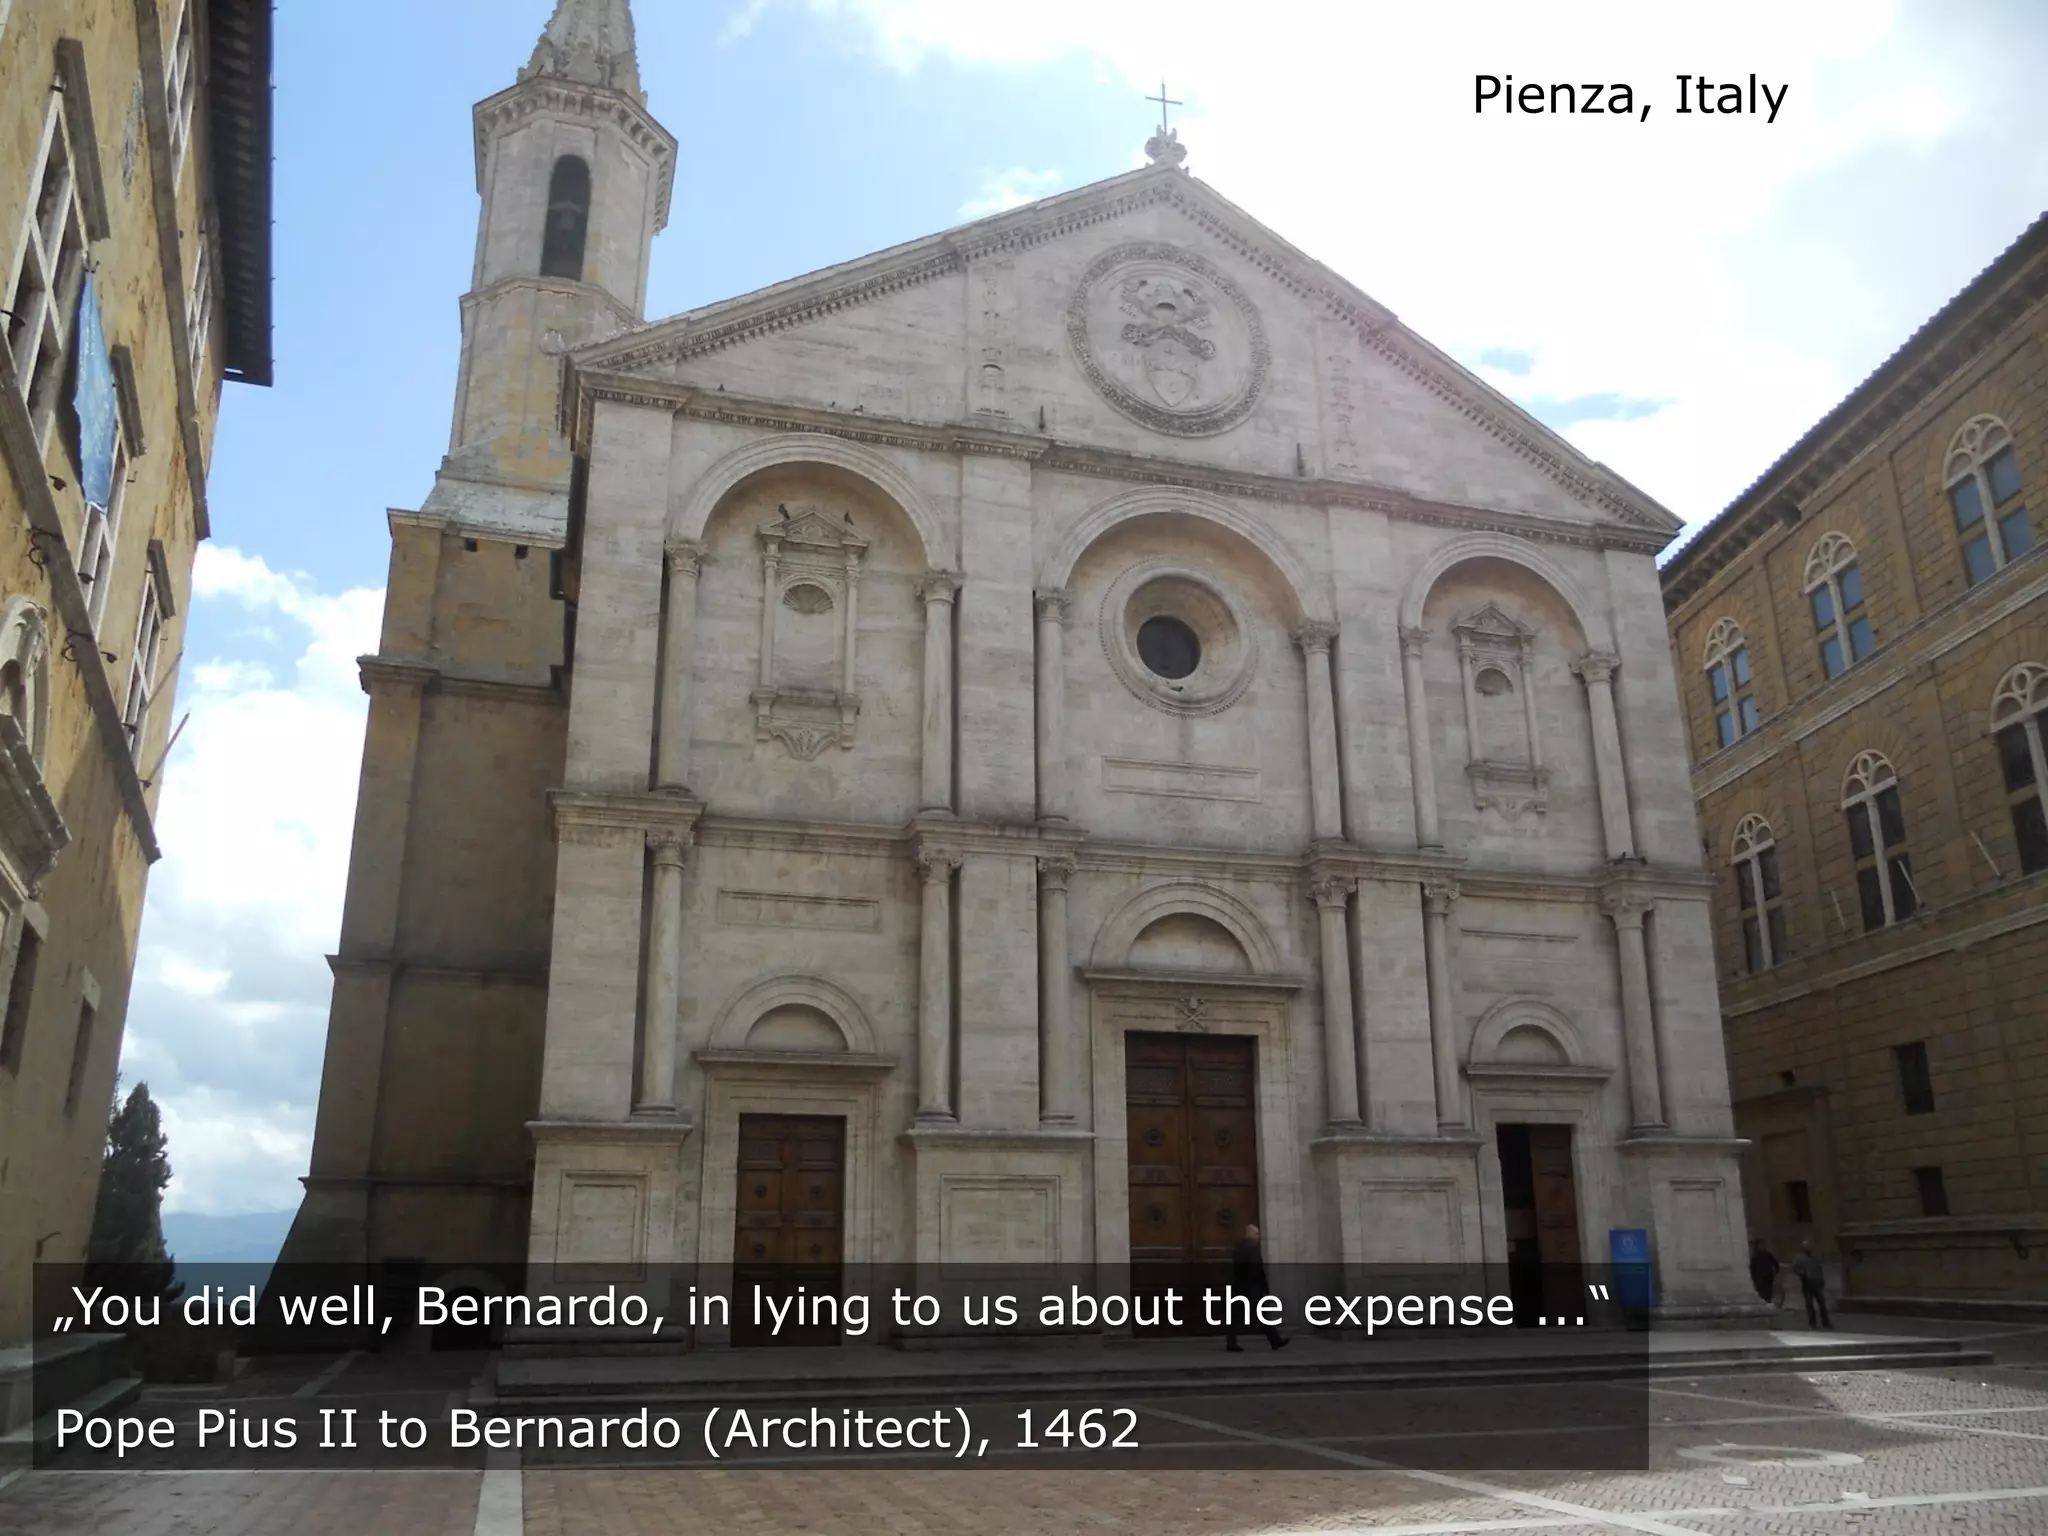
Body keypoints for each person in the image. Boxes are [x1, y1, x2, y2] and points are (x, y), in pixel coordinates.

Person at [1226, 1223, 1289, 1352]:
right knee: (1262, 1315)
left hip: (1239, 1286)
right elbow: (1257, 1270)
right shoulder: (1252, 1248)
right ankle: (1275, 1341)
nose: (1258, 1236)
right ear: (1249, 1234)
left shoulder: (1238, 1247)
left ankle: (1231, 1342)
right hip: (1251, 1288)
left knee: (1236, 1316)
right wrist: (1263, 1287)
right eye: (1256, 1233)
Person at [1791, 1238, 1831, 1330]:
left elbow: (1819, 1269)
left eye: (1809, 1246)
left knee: (1822, 1303)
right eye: (1806, 1246)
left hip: (1816, 1282)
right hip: (1807, 1283)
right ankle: (1813, 1323)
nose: (1808, 1248)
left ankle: (1825, 1322)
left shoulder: (1815, 1257)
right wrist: (1803, 1274)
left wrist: (1821, 1279)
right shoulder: (1799, 1258)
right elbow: (1795, 1268)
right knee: (1809, 1304)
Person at [1748, 1237, 1781, 1305]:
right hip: (1760, 1278)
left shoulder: (1767, 1255)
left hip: (1767, 1277)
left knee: (1767, 1292)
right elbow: (1752, 1268)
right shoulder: (1755, 1257)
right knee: (1762, 1292)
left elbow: (1775, 1263)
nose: (1762, 1247)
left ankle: (1767, 1302)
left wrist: (1775, 1272)